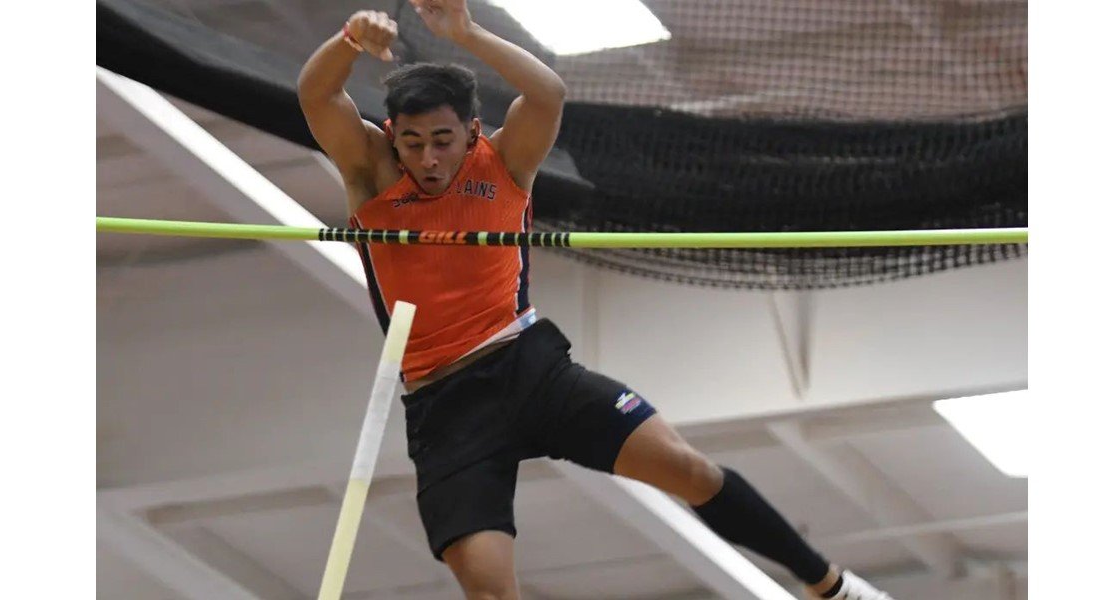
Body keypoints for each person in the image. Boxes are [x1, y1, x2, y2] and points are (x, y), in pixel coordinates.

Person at [298, 2, 895, 598]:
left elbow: (548, 94)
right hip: (446, 407)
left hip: (529, 367)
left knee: (689, 469)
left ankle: (831, 587)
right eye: (412, 142)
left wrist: (465, 32)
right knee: (487, 589)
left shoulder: (505, 160)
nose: (427, 159)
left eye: (442, 140)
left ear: (472, 132)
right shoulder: (374, 172)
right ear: (393, 139)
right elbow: (317, 98)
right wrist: (350, 39)